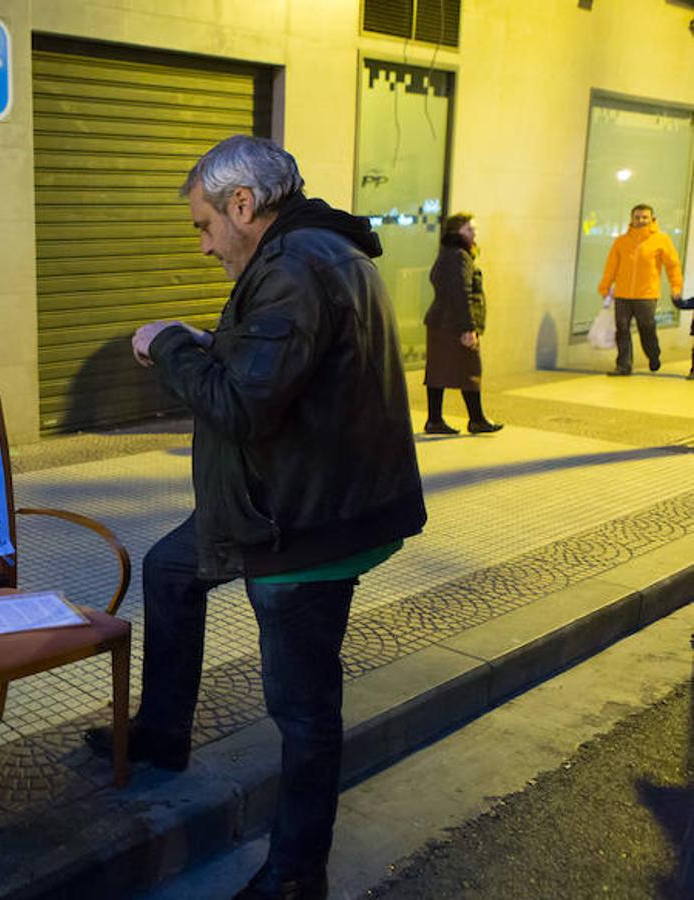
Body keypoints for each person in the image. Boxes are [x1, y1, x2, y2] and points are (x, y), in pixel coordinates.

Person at [83, 136, 426, 900]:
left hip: (300, 526)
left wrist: (168, 343)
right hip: (272, 502)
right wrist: (213, 343)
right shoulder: (310, 255)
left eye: (205, 225)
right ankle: (163, 733)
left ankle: (296, 875)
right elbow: (284, 365)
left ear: (243, 205)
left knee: (302, 711)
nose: (204, 245)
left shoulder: (296, 267)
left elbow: (240, 404)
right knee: (171, 572)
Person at [421, 212, 503, 434]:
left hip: (441, 321)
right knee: (470, 370)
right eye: (469, 229)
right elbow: (461, 292)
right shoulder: (459, 256)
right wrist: (468, 328)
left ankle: (435, 420)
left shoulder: (447, 253)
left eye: (474, 229)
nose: (474, 233)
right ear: (457, 231)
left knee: (437, 371)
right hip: (454, 324)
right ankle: (476, 420)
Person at [598, 204, 683, 376]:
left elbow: (672, 266)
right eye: (637, 217)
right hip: (623, 294)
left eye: (644, 217)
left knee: (647, 328)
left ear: (652, 219)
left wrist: (676, 286)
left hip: (647, 295)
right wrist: (605, 286)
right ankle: (623, 365)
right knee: (622, 329)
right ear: (632, 219)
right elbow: (611, 267)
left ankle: (653, 355)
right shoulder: (621, 241)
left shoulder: (661, 240)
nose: (641, 220)